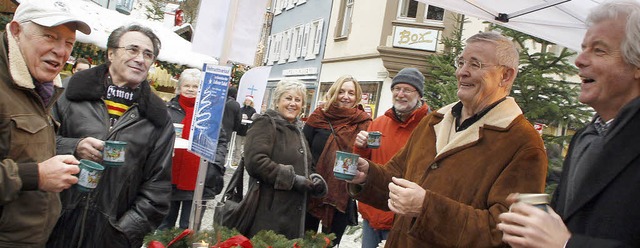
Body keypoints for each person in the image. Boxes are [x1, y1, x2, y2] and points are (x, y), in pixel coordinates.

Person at [347, 32, 548, 247]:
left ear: (506, 76)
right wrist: (368, 176)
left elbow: (507, 234)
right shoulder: (433, 121)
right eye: (460, 62)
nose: (462, 72)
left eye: (475, 64)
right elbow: (397, 176)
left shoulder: (523, 144)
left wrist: (427, 208)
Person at [498, 1, 640, 247]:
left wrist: (565, 244)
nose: (579, 60)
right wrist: (538, 224)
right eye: (583, 48)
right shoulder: (586, 136)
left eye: (599, 50)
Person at [48, 24, 174, 248]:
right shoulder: (69, 93)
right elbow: (35, 147)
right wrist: (74, 146)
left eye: (148, 54)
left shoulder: (158, 118)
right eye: (132, 49)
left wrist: (122, 233)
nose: (140, 59)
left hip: (110, 237)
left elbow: (157, 191)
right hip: (52, 226)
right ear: (111, 53)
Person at [0, 0, 90, 246]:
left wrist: (74, 147)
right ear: (16, 31)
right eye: (50, 36)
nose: (61, 51)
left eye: (69, 43)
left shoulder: (42, 86)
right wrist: (36, 175)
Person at [352, 68, 430, 248]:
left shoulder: (431, 125)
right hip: (373, 212)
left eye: (407, 90)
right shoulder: (378, 123)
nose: (400, 94)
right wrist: (360, 147)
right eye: (397, 89)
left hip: (404, 216)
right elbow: (363, 165)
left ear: (419, 94)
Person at [243, 80, 327, 239]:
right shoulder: (265, 123)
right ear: (277, 101)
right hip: (268, 212)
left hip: (292, 214)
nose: (293, 104)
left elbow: (307, 164)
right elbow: (255, 161)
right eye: (288, 98)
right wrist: (292, 179)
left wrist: (315, 179)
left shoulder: (297, 129)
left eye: (298, 100)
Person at [304, 75, 372, 246]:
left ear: (357, 96)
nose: (345, 96)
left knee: (330, 243)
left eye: (350, 92)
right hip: (313, 189)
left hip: (342, 193)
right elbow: (303, 149)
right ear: (334, 93)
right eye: (341, 91)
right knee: (304, 241)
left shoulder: (363, 122)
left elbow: (368, 157)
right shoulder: (318, 116)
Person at [159, 68, 227, 230]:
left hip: (198, 178)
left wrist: (214, 165)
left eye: (195, 86)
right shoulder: (168, 111)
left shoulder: (210, 114)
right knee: (164, 225)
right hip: (170, 178)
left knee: (189, 227)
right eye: (186, 85)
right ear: (180, 87)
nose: (190, 89)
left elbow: (221, 141)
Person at [234, 96, 257, 163]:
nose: (247, 102)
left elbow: (254, 120)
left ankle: (243, 161)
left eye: (249, 101)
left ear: (251, 102)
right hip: (239, 130)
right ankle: (236, 161)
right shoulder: (241, 109)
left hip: (247, 131)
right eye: (246, 100)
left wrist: (248, 118)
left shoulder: (253, 110)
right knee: (237, 147)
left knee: (245, 148)